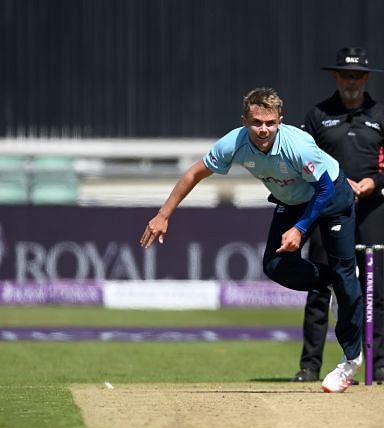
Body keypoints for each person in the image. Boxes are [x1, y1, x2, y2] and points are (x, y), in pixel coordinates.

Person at [139, 87, 364, 393]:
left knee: (345, 272)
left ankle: (350, 359)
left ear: (280, 121)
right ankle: (330, 282)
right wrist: (164, 214)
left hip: (331, 196)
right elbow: (194, 173)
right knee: (275, 266)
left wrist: (299, 228)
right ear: (244, 119)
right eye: (257, 122)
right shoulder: (235, 142)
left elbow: (324, 189)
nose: (263, 130)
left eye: (270, 123)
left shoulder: (298, 145)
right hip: (292, 199)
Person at [293, 47, 384, 384]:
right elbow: (301, 160)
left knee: (375, 288)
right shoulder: (318, 115)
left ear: (366, 78)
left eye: (357, 76)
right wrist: (336, 184)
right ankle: (310, 365)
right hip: (328, 207)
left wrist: (374, 181)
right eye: (346, 75)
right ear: (336, 77)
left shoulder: (381, 115)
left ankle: (379, 365)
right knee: (320, 285)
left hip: (371, 207)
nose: (351, 81)